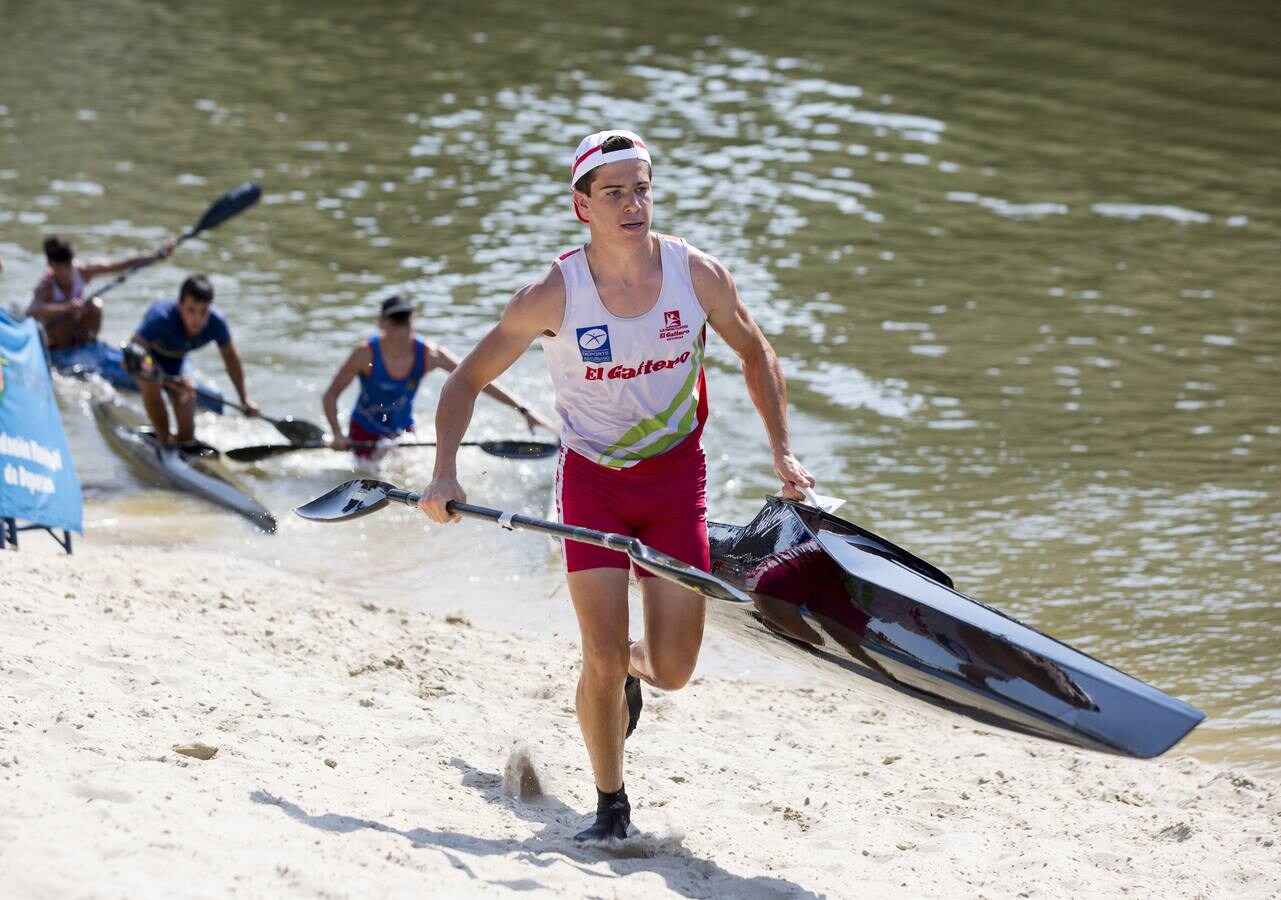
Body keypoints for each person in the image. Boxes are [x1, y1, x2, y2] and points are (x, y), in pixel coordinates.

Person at [417, 129, 814, 842]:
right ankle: (611, 805)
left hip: (673, 486)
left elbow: (755, 354)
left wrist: (783, 455)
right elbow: (465, 378)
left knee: (673, 669)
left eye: (642, 187)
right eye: (614, 192)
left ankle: (630, 671)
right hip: (592, 485)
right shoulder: (551, 294)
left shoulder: (697, 276)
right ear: (582, 206)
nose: (633, 203)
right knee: (598, 652)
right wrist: (443, 470)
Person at [321, 294, 554, 458]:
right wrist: (337, 434)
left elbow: (477, 378)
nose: (401, 330)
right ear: (381, 323)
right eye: (395, 322)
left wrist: (524, 410)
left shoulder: (430, 354)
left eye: (405, 322)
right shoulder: (364, 354)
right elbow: (330, 395)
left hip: (403, 433)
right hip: (364, 432)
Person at [127, 273, 259, 446]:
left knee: (187, 408)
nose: (198, 319)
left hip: (178, 361)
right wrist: (165, 379)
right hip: (149, 362)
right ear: (180, 304)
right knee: (152, 385)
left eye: (204, 311)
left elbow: (231, 359)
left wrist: (244, 399)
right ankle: (164, 440)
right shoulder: (162, 318)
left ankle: (183, 446)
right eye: (191, 310)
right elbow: (132, 353)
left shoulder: (216, 322)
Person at [26, 234, 175, 350]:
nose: (65, 272)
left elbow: (122, 264)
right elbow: (32, 310)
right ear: (50, 265)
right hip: (57, 338)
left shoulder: (83, 271)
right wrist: (65, 307)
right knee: (66, 315)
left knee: (95, 304)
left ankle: (87, 346)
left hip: (78, 330)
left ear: (72, 260)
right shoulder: (46, 286)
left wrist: (157, 255)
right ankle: (65, 353)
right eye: (59, 267)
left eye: (68, 265)